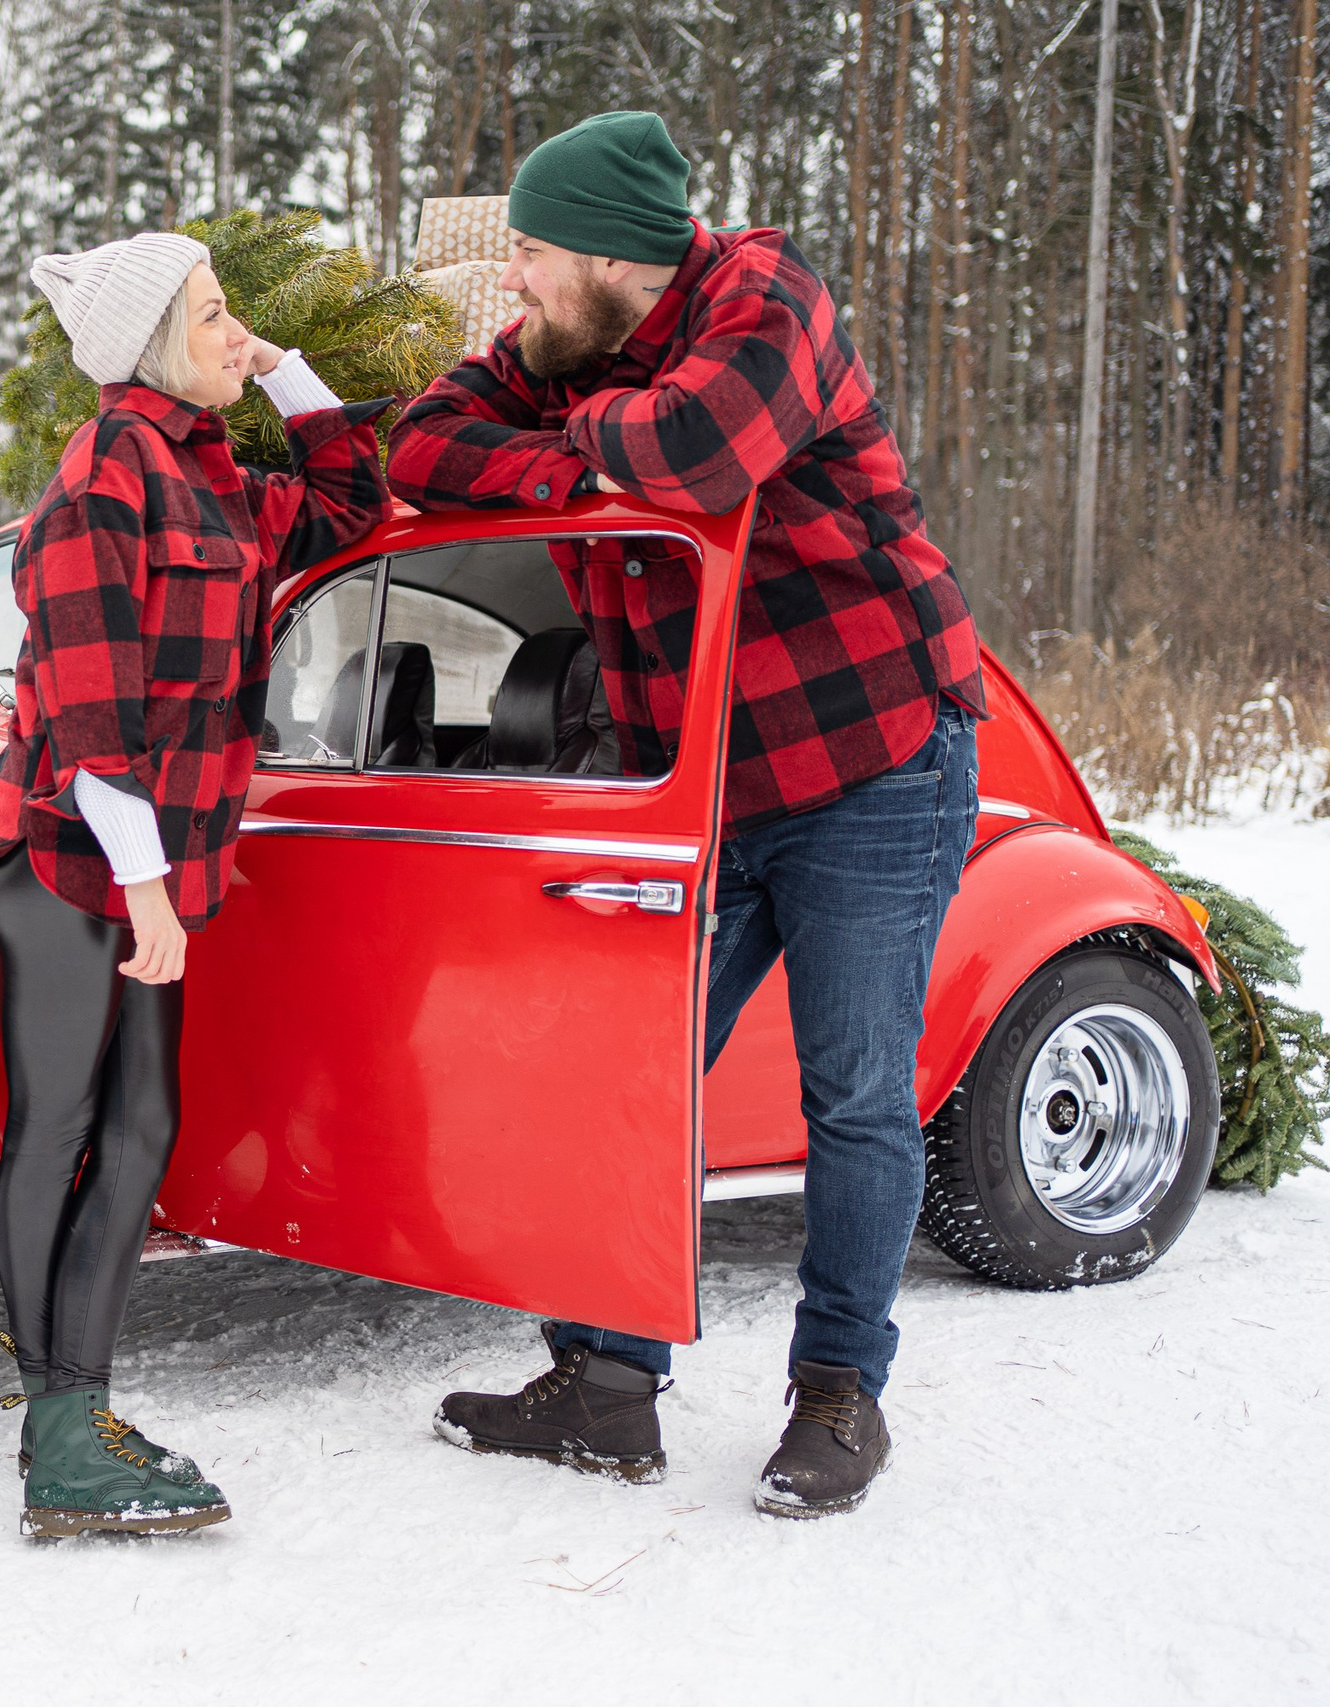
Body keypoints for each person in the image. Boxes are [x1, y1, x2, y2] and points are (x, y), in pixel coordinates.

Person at [386, 111, 987, 1519]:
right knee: (623, 1074)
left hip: (871, 765)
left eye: (529, 253)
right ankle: (606, 1387)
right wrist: (579, 466)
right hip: (701, 798)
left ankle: (839, 1394)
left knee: (852, 1097)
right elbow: (423, 445)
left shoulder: (770, 299)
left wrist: (584, 444)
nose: (512, 286)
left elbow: (700, 450)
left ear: (606, 253)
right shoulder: (570, 350)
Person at [0, 232, 391, 1538]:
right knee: (58, 1126)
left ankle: (69, 1406)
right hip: (67, 857)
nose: (232, 330)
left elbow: (352, 506)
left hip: (157, 868)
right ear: (152, 340)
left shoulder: (213, 482)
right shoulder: (102, 481)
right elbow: (92, 718)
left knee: (145, 1126)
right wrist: (147, 891)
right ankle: (61, 1429)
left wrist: (288, 371)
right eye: (213, 316)